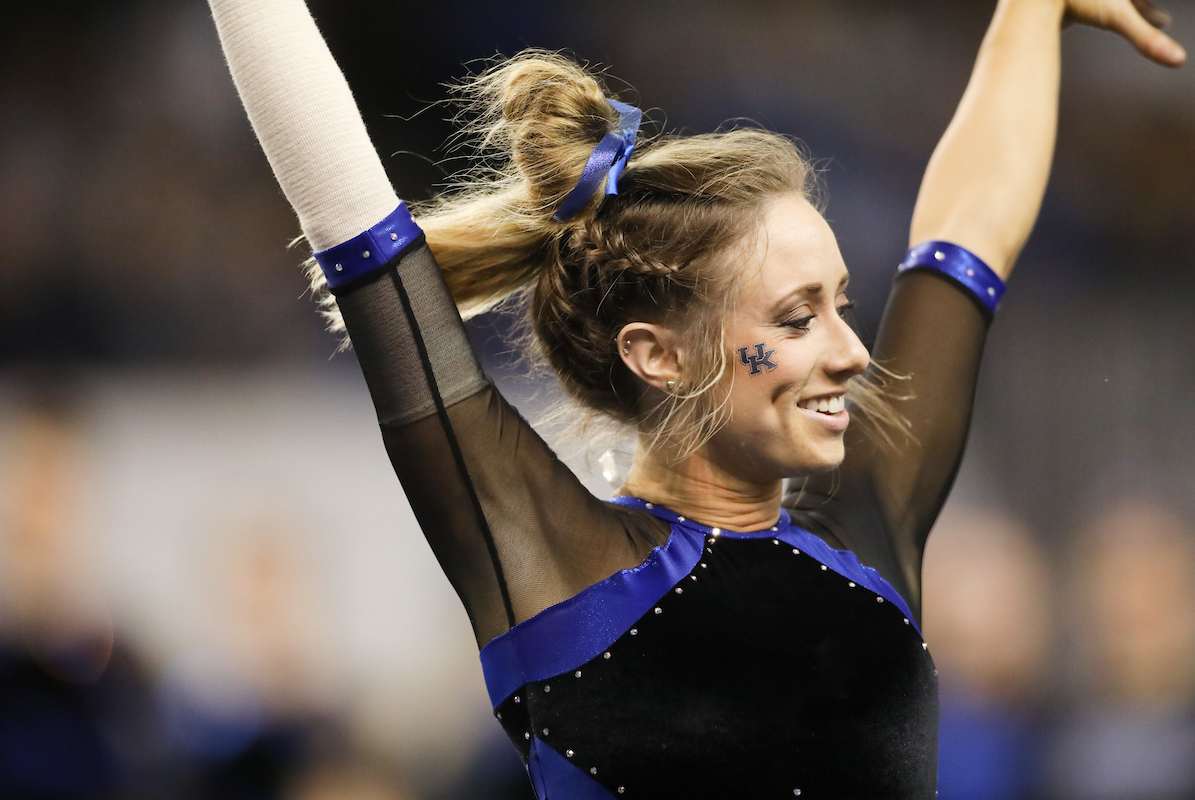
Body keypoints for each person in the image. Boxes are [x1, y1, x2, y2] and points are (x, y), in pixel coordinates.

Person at [206, 0, 1183, 796]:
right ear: (657, 354)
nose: (852, 350)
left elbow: (967, 237)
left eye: (842, 305)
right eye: (798, 316)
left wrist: (1026, 13)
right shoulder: (555, 562)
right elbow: (353, 219)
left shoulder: (864, 531)